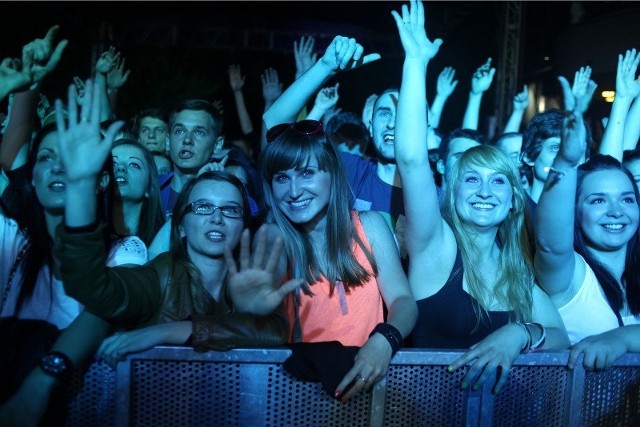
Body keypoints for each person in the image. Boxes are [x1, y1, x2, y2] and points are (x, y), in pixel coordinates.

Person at [392, 0, 568, 393]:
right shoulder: (435, 248)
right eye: (471, 180)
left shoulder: (517, 271)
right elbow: (411, 158)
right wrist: (416, 61)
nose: (485, 191)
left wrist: (520, 334)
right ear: (451, 193)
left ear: (512, 201)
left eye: (498, 182)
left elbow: (560, 337)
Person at [232, 42, 417, 400]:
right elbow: (274, 124)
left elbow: (403, 302)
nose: (294, 189)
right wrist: (325, 66)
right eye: (281, 178)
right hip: (293, 394)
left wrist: (385, 339)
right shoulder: (275, 238)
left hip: (371, 387)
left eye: (306, 174)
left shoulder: (368, 226)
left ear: (333, 175)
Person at [534, 106, 640, 371]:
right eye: (598, 200)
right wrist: (566, 162)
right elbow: (549, 243)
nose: (616, 211)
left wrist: (622, 337)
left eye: (627, 199)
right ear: (575, 211)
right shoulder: (570, 275)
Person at [158, 99, 225, 218]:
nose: (187, 139)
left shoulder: (230, 194)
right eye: (179, 131)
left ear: (217, 145)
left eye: (199, 132)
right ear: (168, 141)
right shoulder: (151, 188)